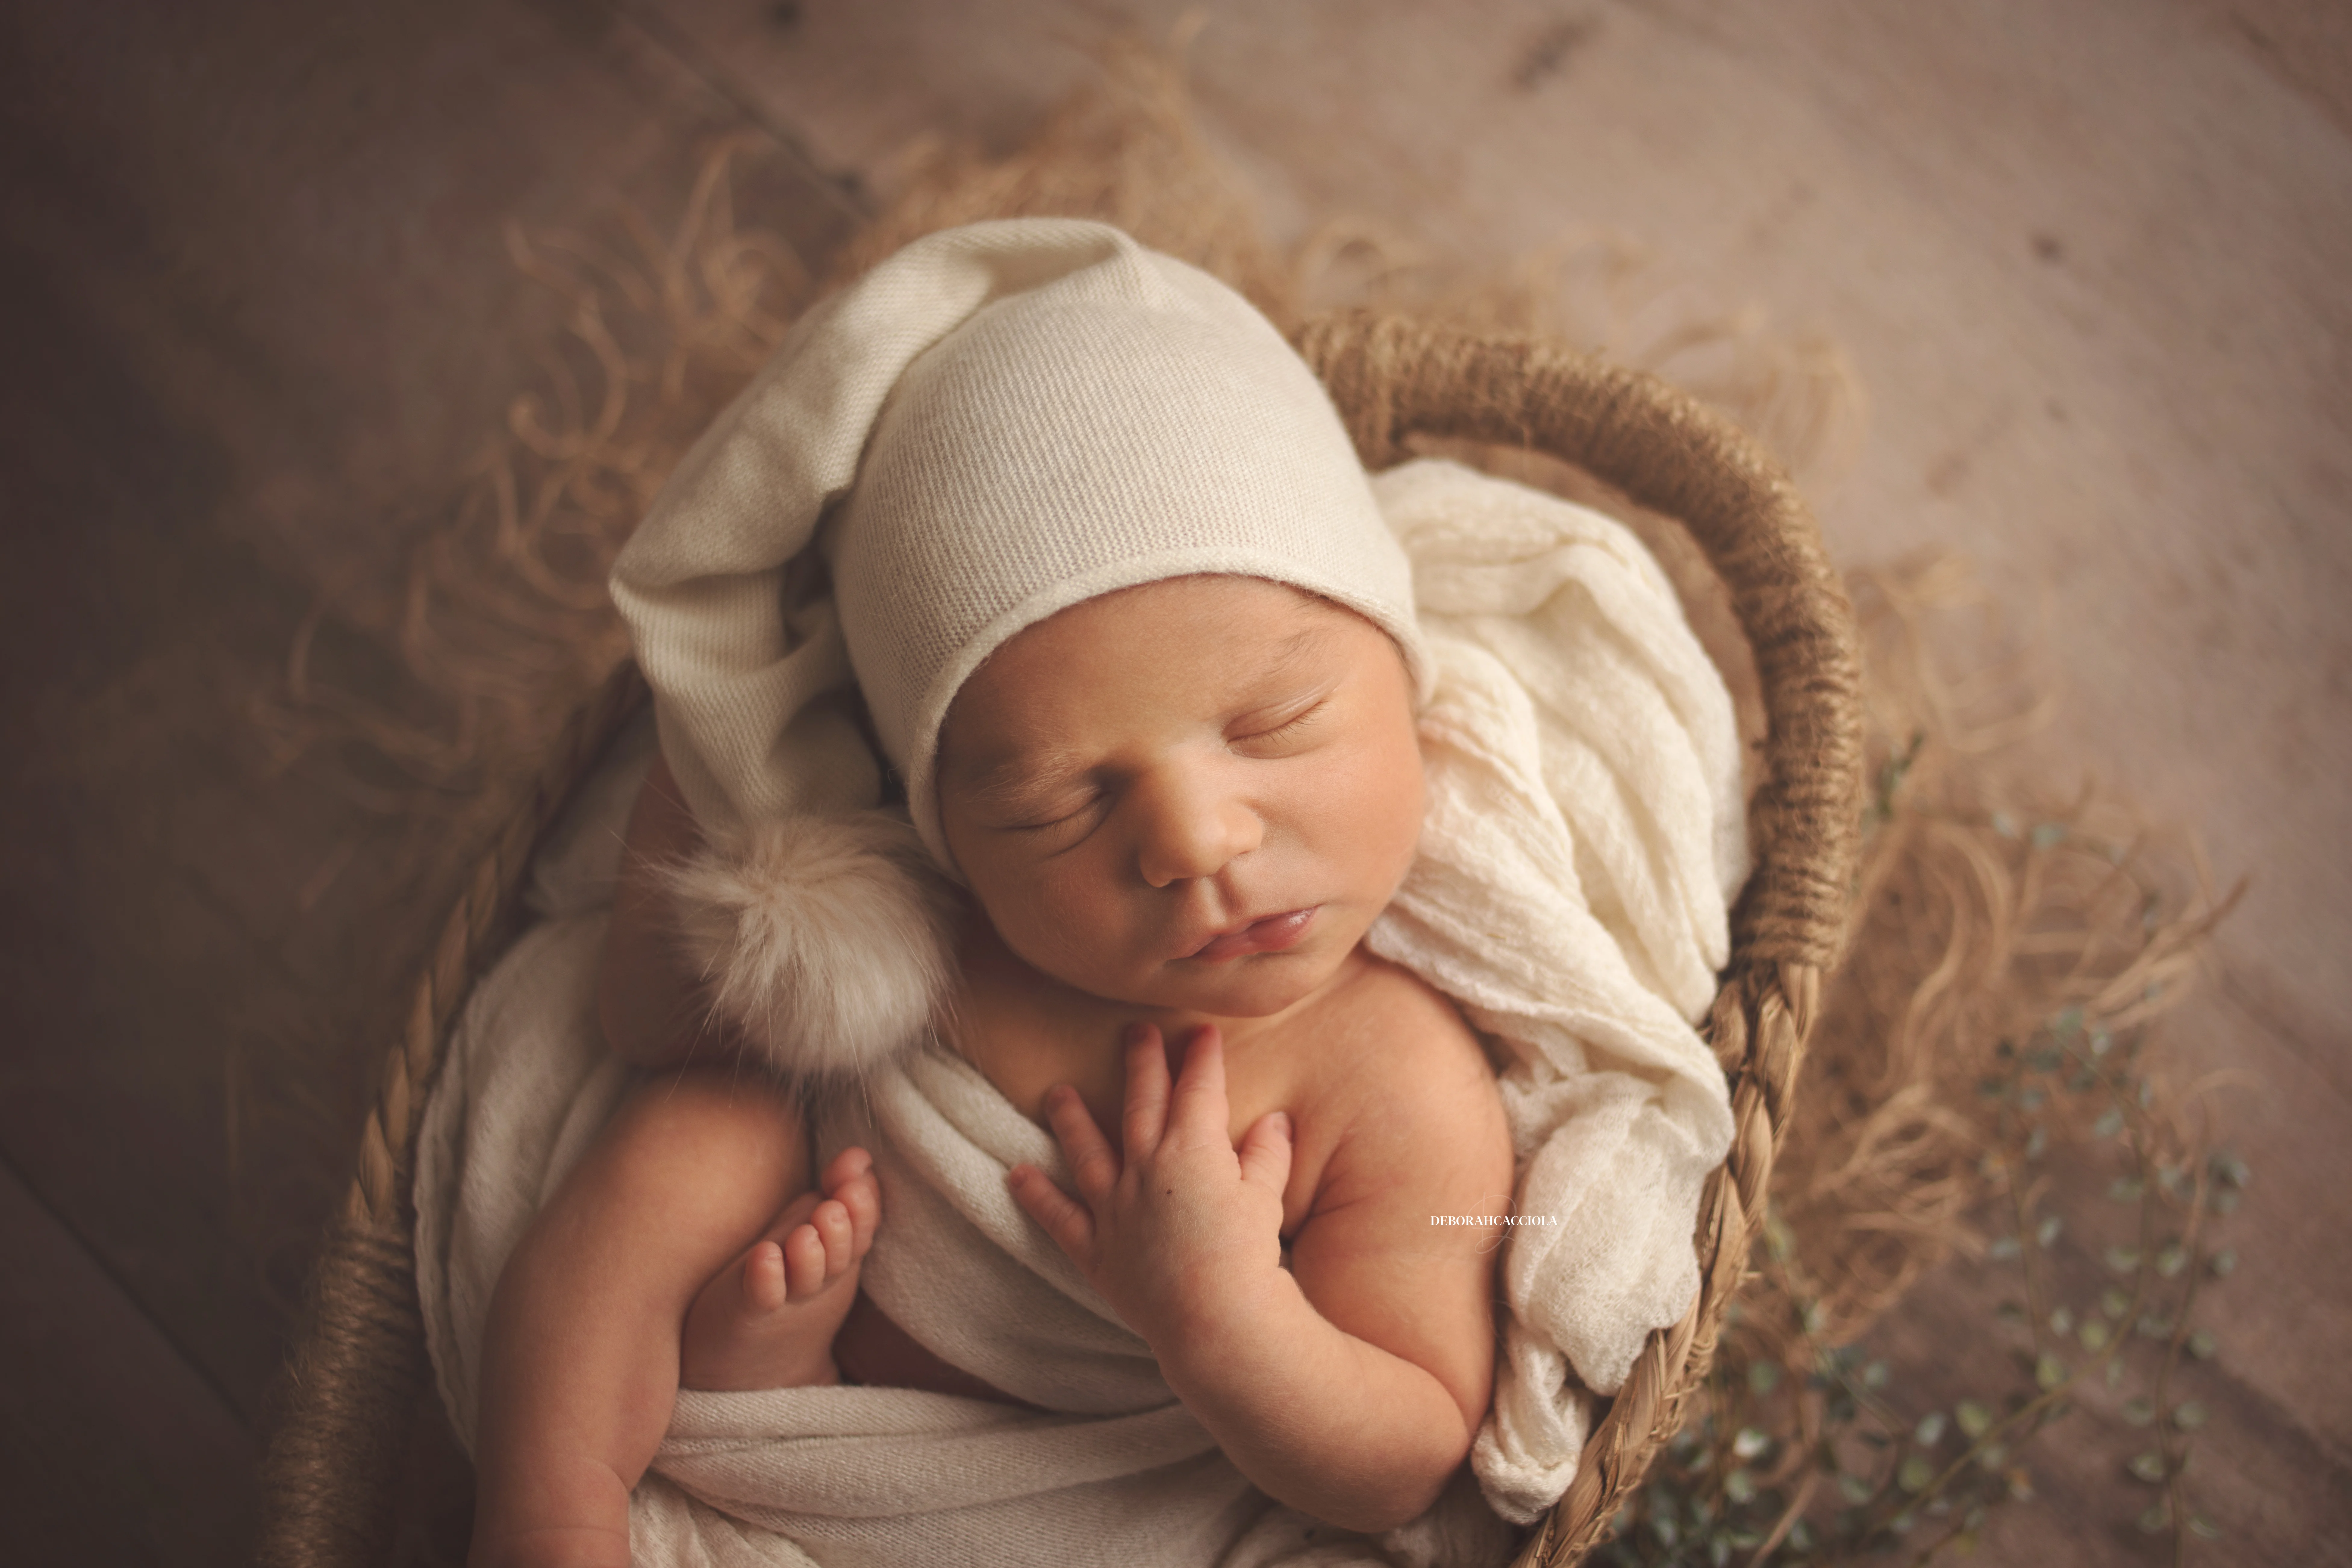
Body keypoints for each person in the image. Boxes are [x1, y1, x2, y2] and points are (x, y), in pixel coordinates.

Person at [465, 221, 1516, 1568]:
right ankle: (547, 1508)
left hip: (1084, 1494)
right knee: (696, 1128)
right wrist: (739, 747)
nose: (1193, 839)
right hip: (807, 1422)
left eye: (1275, 721)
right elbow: (646, 1017)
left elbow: (1405, 1451)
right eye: (1057, 804)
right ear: (945, 820)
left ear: (1405, 679)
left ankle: (768, 1382)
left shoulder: (1395, 1078)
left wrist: (1219, 1310)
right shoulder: (941, 918)